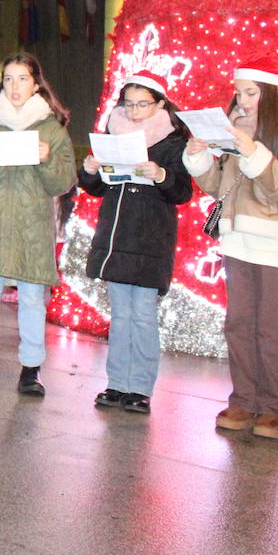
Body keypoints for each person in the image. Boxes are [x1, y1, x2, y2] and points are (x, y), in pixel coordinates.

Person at [183, 57, 278, 440]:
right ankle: (244, 400)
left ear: (270, 94)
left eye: (250, 93)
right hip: (236, 236)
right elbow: (219, 186)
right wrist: (198, 156)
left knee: (268, 327)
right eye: (239, 92)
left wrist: (255, 153)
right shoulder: (234, 128)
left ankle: (275, 409)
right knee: (238, 324)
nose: (241, 100)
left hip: (273, 238)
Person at [0, 52, 75, 395]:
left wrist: (48, 159)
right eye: (8, 78)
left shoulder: (51, 128)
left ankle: (31, 369)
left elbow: (62, 182)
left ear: (36, 84)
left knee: (33, 298)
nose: (14, 85)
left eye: (22, 78)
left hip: (32, 227)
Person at [79, 71, 193, 413]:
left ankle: (140, 387)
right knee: (121, 316)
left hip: (150, 240)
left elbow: (183, 191)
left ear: (160, 104)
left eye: (143, 104)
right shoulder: (112, 135)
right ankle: (116, 383)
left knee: (142, 315)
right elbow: (98, 188)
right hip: (116, 236)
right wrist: (89, 170)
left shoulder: (173, 142)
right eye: (129, 103)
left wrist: (161, 175)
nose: (134, 111)